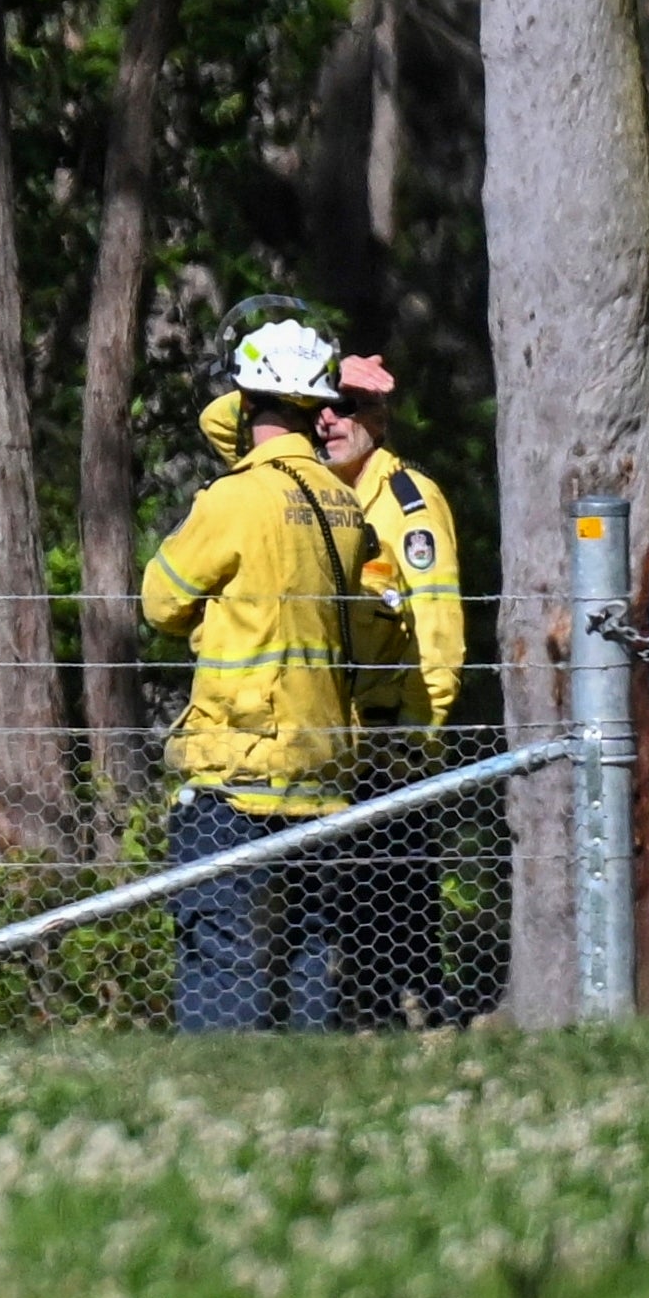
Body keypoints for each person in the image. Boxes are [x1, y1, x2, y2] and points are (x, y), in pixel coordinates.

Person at [142, 320, 409, 1032]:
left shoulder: (234, 499)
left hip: (237, 777)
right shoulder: (344, 504)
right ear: (317, 403)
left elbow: (160, 601)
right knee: (306, 962)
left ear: (246, 394)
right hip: (321, 780)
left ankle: (220, 1119)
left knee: (224, 964)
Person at [194, 350, 467, 1022]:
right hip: (335, 746)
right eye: (320, 409)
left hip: (389, 749)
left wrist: (412, 745)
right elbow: (220, 422)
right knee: (341, 923)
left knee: (396, 923)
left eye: (348, 409)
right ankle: (362, 1035)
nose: (330, 422)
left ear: (380, 417)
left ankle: (420, 1033)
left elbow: (437, 635)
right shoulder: (314, 497)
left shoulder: (408, 504)